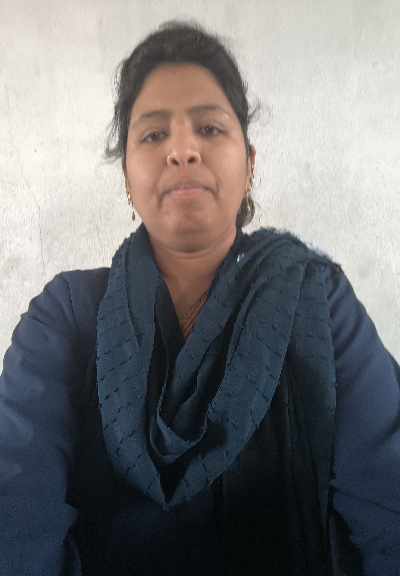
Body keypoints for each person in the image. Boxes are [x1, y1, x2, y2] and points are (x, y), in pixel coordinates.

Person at [0, 19, 399, 576]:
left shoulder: (318, 301)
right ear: (127, 177)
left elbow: (387, 501)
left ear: (250, 163)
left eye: (209, 128)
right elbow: (18, 517)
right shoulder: (66, 316)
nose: (183, 150)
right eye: (153, 135)